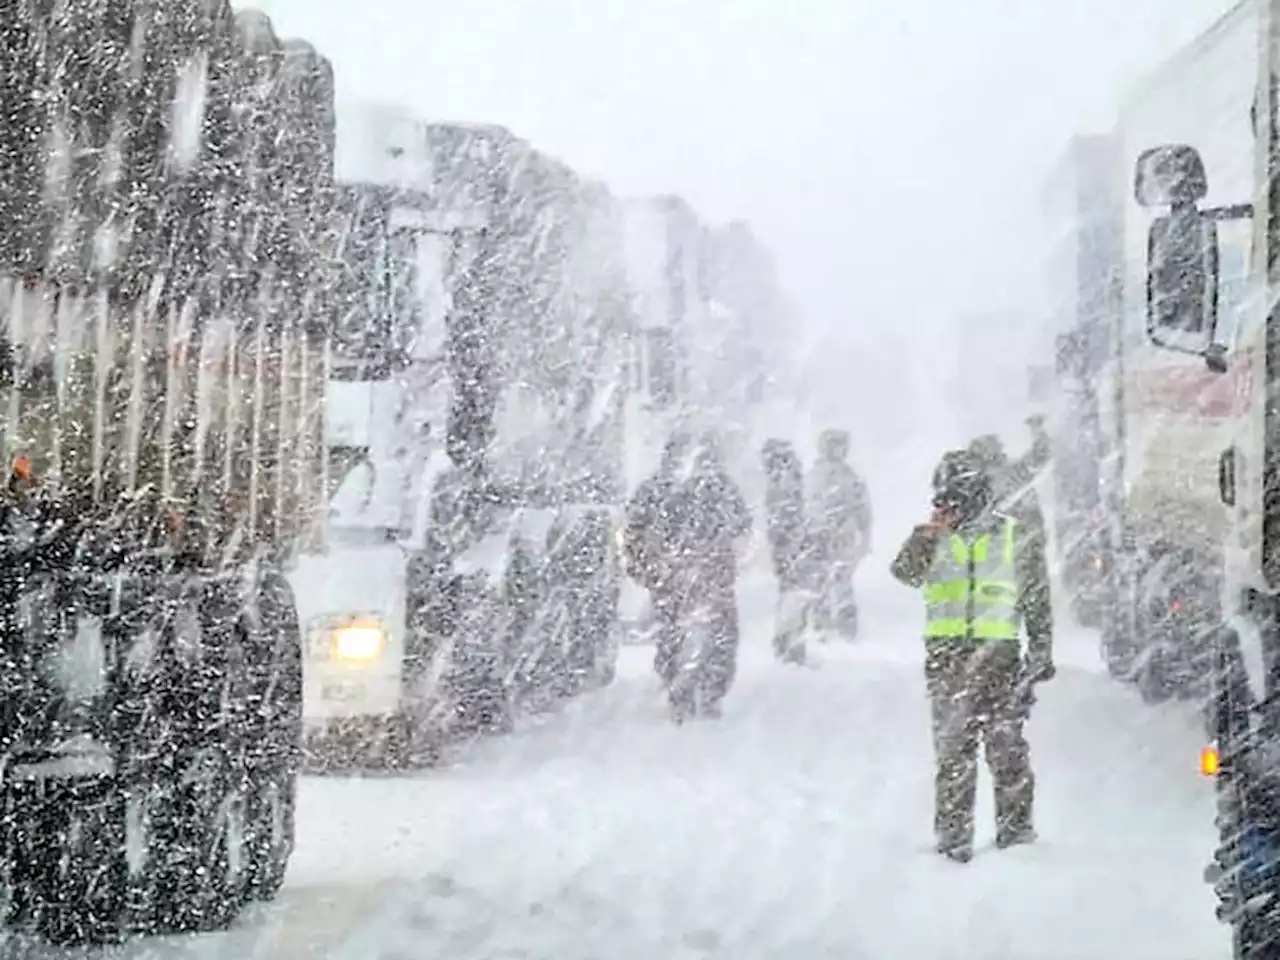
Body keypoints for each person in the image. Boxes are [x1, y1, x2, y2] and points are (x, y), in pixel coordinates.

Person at [890, 447, 1055, 863]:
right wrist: (924, 536)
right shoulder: (932, 539)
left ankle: (1016, 837)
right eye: (940, 499)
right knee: (954, 755)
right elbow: (905, 573)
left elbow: (1037, 600)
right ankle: (953, 839)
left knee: (1007, 749)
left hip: (1000, 659)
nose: (943, 507)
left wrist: (1040, 651)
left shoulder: (1015, 537)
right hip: (947, 661)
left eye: (951, 498)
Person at [666, 435, 752, 717]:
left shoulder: (682, 491)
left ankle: (684, 686)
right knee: (721, 633)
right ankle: (709, 689)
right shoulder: (725, 490)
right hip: (714, 573)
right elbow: (742, 526)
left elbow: (667, 530)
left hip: (690, 573)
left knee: (684, 628)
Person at [623, 432, 690, 683]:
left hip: (669, 562)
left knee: (672, 615)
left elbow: (634, 526)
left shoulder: (655, 487)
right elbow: (634, 528)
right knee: (674, 615)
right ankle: (673, 661)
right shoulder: (682, 488)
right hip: (673, 562)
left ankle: (672, 660)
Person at [806, 428, 872, 639]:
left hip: (842, 537)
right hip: (822, 537)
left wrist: (864, 537)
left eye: (841, 445)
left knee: (840, 581)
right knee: (824, 582)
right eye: (834, 445)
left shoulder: (850, 477)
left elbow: (863, 512)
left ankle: (843, 628)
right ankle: (825, 626)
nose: (839, 450)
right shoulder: (815, 475)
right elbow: (806, 507)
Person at [761, 438, 814, 663]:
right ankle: (791, 644)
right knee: (796, 594)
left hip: (788, 546)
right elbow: (787, 517)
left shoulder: (778, 483)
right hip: (793, 546)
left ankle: (788, 642)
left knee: (792, 593)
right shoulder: (787, 483)